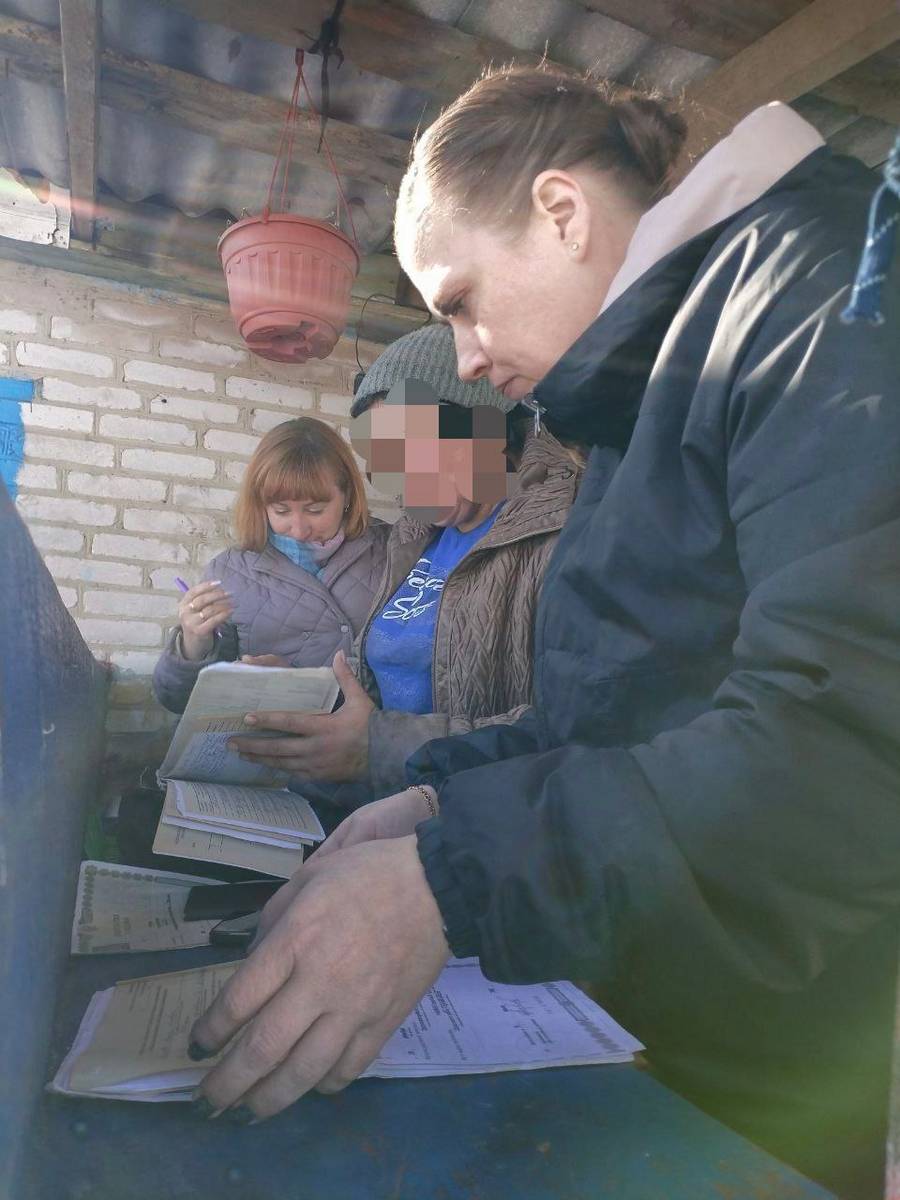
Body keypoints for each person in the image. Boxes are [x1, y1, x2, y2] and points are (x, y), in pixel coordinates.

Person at [188, 67, 900, 1200]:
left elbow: (847, 748)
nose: (467, 357)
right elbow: (609, 715)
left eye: (461, 299)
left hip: (766, 1074)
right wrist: (436, 799)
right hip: (637, 1021)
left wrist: (453, 876)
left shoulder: (831, 291)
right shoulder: (642, 399)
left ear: (562, 211)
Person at [228, 322, 581, 800]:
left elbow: (576, 725)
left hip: (467, 813)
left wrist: (382, 748)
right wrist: (306, 692)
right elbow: (379, 687)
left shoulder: (562, 530)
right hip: (373, 799)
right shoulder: (414, 536)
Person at [152, 417, 389, 713]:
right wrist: (194, 643)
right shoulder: (230, 572)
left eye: (315, 510)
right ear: (261, 505)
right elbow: (177, 700)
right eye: (281, 511)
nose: (299, 529)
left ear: (347, 496)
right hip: (265, 736)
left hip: (368, 733)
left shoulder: (391, 551)